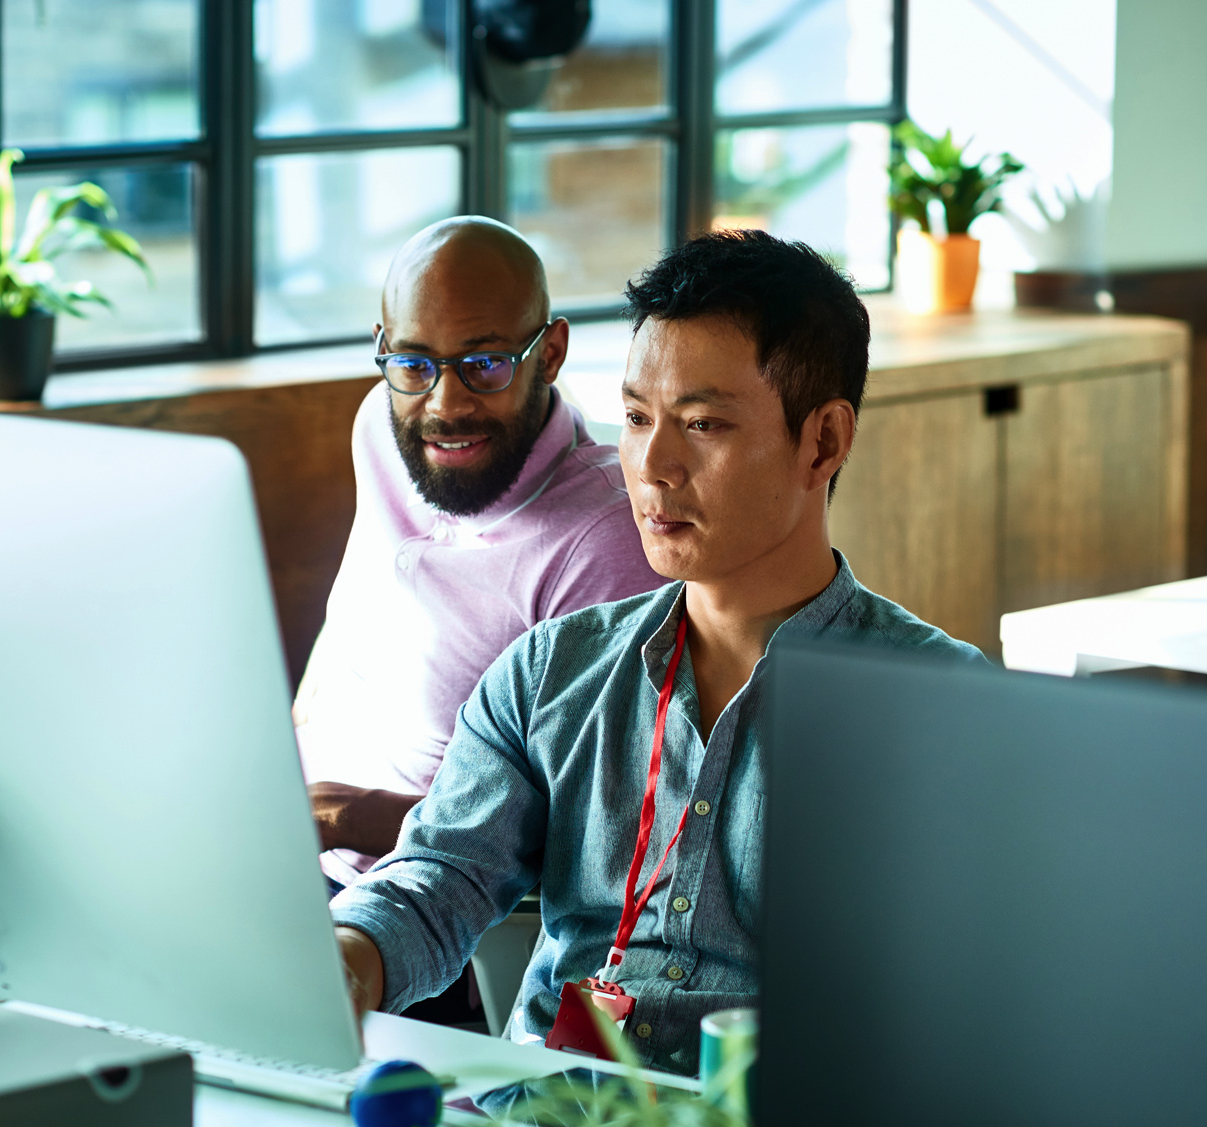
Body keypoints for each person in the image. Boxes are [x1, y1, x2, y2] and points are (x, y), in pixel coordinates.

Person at [328, 229, 988, 1076]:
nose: (653, 465)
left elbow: (957, 1003)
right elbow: (441, 876)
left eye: (703, 424)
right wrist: (349, 952)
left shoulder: (940, 704)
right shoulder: (548, 674)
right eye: (637, 418)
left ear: (822, 442)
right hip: (549, 1105)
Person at [295, 217, 663, 888]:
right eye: (413, 363)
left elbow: (589, 833)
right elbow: (347, 628)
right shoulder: (381, 424)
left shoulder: (605, 538)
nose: (444, 403)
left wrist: (341, 815)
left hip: (429, 911)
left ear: (550, 354)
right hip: (290, 850)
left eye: (484, 364)